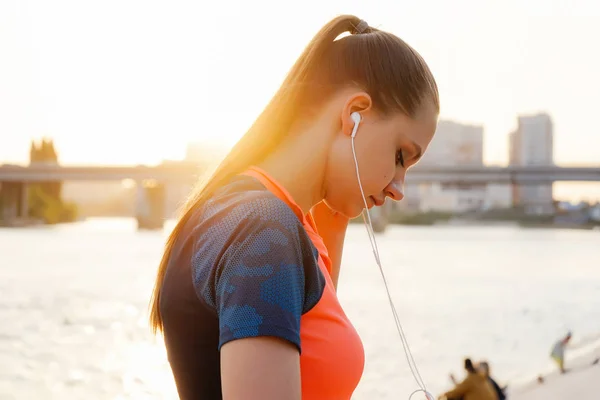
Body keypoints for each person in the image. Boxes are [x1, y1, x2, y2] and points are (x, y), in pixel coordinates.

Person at [148, 14, 439, 400]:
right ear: (355, 113)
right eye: (401, 155)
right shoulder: (262, 230)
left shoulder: (269, 221)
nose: (399, 188)